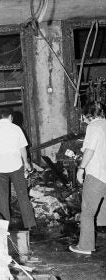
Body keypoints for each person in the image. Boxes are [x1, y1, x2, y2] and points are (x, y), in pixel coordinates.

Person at [0, 108, 36, 229]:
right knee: (22, 195)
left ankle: (5, 226)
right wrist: (26, 163)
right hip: (16, 166)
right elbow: (22, 148)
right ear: (10, 117)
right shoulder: (16, 129)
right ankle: (30, 224)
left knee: (2, 198)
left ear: (0, 118)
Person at [69, 101, 106, 255]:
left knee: (87, 211)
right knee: (103, 206)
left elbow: (89, 150)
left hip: (97, 173)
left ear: (88, 115)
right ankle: (102, 225)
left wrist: (81, 168)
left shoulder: (93, 126)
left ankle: (85, 246)